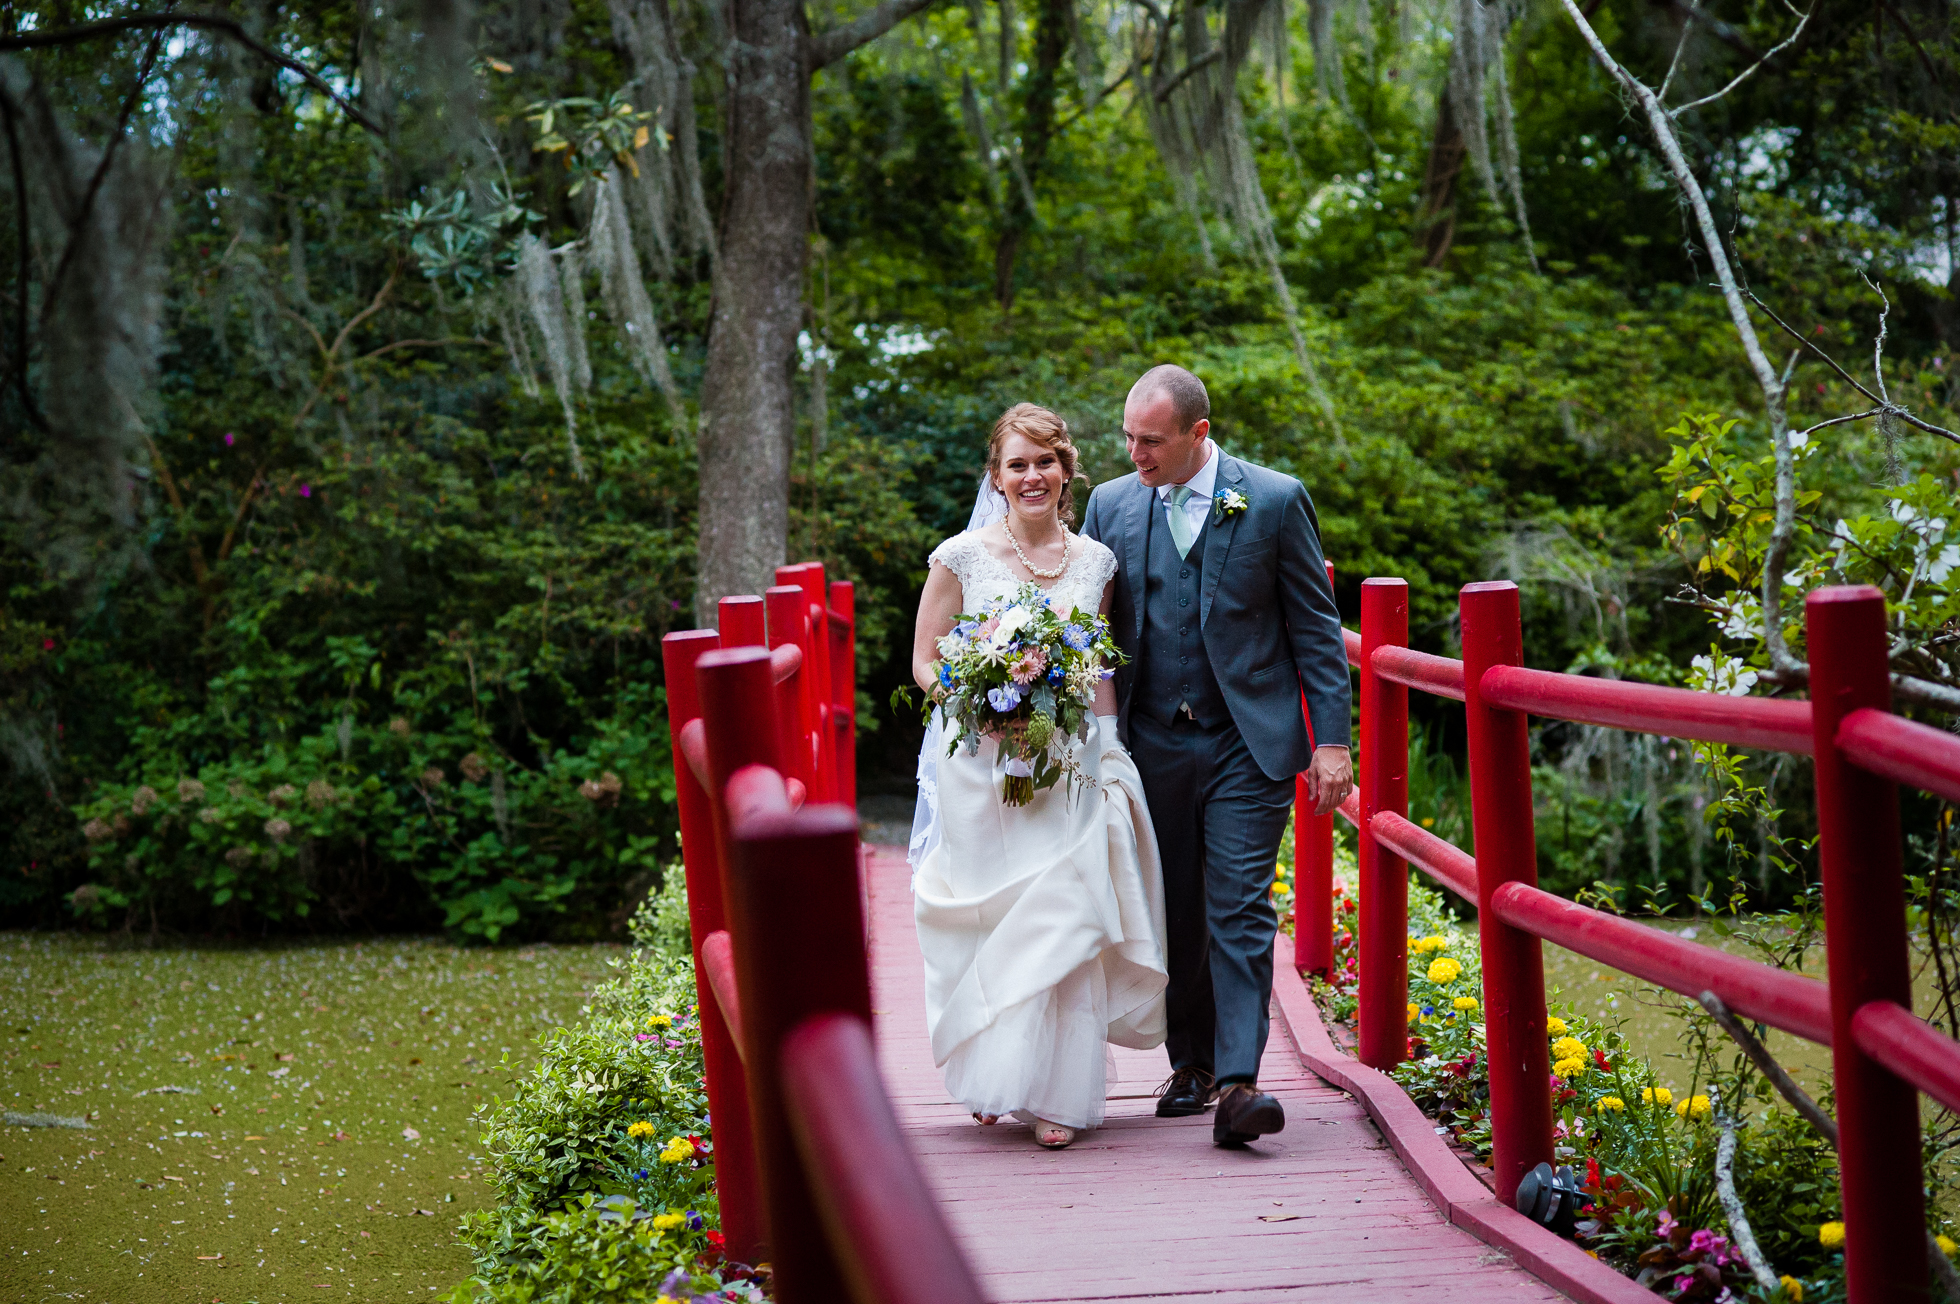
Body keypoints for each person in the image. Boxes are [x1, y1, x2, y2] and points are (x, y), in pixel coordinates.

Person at [1080, 364, 1353, 1148]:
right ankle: (1190, 1065)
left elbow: (1313, 628)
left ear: (1200, 433)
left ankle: (1238, 1084)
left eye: (1151, 441)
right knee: (1176, 911)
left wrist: (1331, 739)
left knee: (1237, 906)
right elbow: (1088, 635)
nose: (1135, 453)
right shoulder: (1111, 504)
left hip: (1247, 739)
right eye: (1128, 436)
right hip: (1149, 741)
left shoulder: (1271, 498)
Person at [908, 403, 1168, 1151]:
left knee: (1066, 918)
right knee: (992, 922)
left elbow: (1099, 668)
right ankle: (997, 1070)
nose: (1032, 476)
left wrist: (1112, 749)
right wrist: (974, 700)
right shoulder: (959, 557)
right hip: (981, 767)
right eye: (1017, 464)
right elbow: (925, 660)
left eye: (1045, 463)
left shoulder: (1096, 563)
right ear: (996, 476)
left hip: (1069, 766)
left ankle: (1058, 1092)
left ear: (1066, 471)